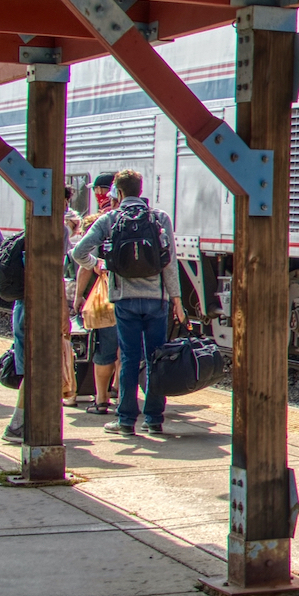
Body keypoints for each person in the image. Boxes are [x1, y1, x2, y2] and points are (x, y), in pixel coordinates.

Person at [70, 170, 184, 437]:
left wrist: (98, 266)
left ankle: (125, 421)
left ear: (118, 193)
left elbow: (78, 252)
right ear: (140, 189)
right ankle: (154, 420)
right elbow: (169, 262)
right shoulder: (159, 218)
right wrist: (176, 300)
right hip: (157, 300)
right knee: (156, 358)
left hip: (124, 300)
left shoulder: (110, 218)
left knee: (130, 359)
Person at [73, 214, 119, 415]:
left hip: (104, 305)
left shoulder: (96, 245)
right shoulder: (118, 238)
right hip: (127, 299)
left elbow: (84, 269)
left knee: (104, 351)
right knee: (125, 352)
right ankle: (121, 393)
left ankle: (101, 399)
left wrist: (77, 298)